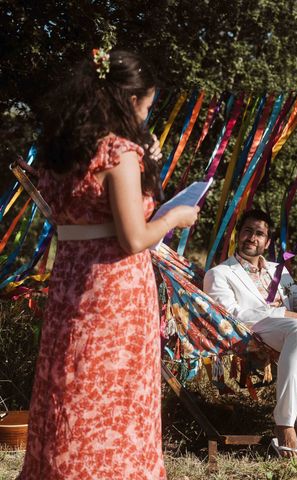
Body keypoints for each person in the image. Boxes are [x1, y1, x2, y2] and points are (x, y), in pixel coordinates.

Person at [19, 49, 199, 479]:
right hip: (115, 292)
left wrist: (146, 159)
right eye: (146, 105)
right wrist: (174, 216)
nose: (145, 114)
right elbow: (133, 237)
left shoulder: (60, 151)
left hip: (70, 284)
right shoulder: (118, 152)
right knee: (112, 392)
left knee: (70, 384)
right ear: (128, 100)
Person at [203, 209, 297, 460]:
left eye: (259, 233)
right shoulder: (220, 273)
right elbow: (229, 315)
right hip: (254, 331)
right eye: (248, 231)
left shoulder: (278, 270)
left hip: (296, 333)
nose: (252, 237)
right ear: (239, 235)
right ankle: (284, 426)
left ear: (267, 242)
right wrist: (289, 315)